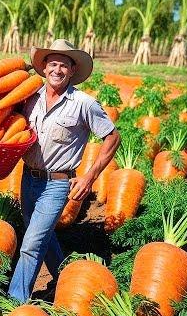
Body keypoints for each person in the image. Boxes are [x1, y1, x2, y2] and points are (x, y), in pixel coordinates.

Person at [7, 39, 121, 302]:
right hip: (28, 179)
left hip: (57, 184)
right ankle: (63, 277)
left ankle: (15, 301)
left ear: (72, 71)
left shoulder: (84, 103)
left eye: (64, 66)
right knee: (41, 236)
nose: (57, 70)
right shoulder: (29, 98)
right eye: (53, 64)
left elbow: (112, 138)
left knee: (32, 243)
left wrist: (89, 176)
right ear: (44, 67)